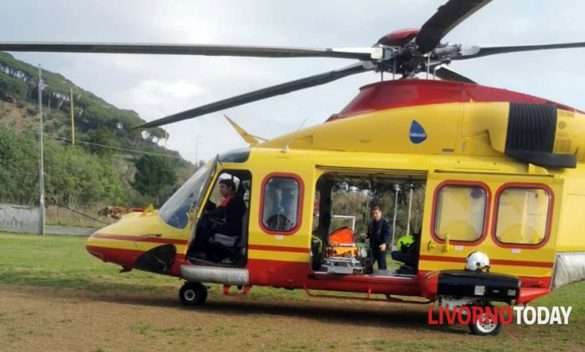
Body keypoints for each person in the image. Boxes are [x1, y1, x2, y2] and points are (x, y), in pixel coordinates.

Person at [366, 205, 391, 271]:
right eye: (373, 213)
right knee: (367, 264)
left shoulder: (385, 223)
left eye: (376, 213)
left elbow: (387, 234)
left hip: (381, 248)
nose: (375, 215)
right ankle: (368, 278)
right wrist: (366, 238)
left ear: (380, 213)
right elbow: (369, 234)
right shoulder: (371, 224)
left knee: (382, 267)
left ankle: (383, 279)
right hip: (372, 248)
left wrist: (385, 243)